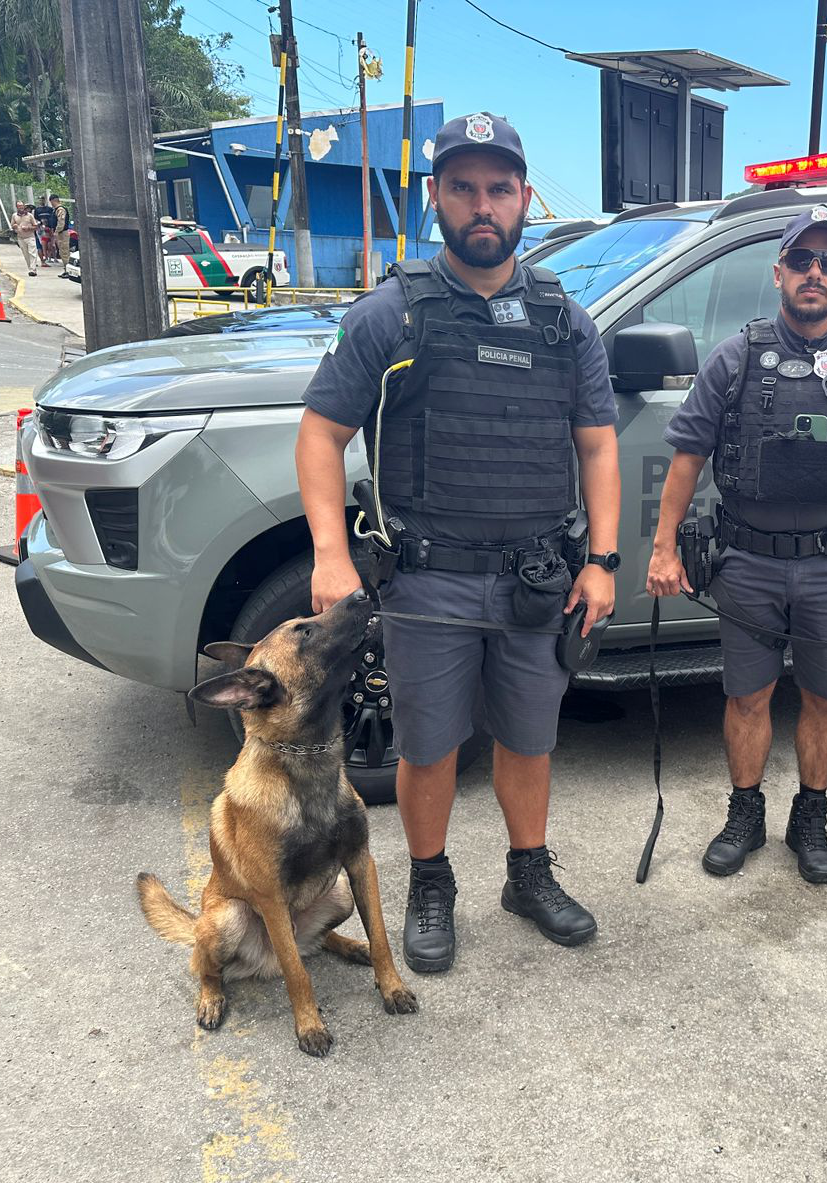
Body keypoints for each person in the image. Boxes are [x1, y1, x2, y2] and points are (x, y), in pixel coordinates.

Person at [296, 112, 620, 972]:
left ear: (523, 199)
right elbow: (320, 431)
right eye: (465, 188)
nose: (485, 205)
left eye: (500, 189)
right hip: (428, 582)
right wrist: (331, 553)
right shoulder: (392, 314)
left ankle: (527, 874)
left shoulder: (564, 324)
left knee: (529, 741)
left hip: (536, 580)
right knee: (430, 749)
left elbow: (597, 444)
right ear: (437, 197)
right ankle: (429, 884)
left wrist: (603, 562)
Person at [646, 206, 827, 885]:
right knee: (746, 696)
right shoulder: (735, 358)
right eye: (801, 260)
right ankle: (745, 814)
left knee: (826, 699)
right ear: (778, 272)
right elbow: (686, 458)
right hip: (747, 562)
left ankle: (811, 817)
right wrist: (663, 549)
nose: (815, 273)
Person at [10, 203, 38, 276]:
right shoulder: (14, 216)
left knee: (32, 253)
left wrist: (28, 228)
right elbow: (12, 225)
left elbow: (35, 226)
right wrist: (14, 226)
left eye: (22, 206)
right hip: (21, 238)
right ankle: (30, 268)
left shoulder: (30, 216)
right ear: (17, 207)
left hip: (30, 237)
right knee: (26, 254)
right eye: (19, 206)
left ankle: (33, 269)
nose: (21, 207)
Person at [32, 196, 55, 265]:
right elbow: (35, 219)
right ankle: (45, 259)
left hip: (49, 228)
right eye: (40, 200)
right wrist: (40, 225)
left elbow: (52, 218)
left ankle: (51, 257)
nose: (41, 201)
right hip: (41, 229)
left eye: (42, 199)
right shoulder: (37, 210)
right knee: (42, 244)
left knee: (51, 244)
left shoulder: (50, 209)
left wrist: (51, 227)